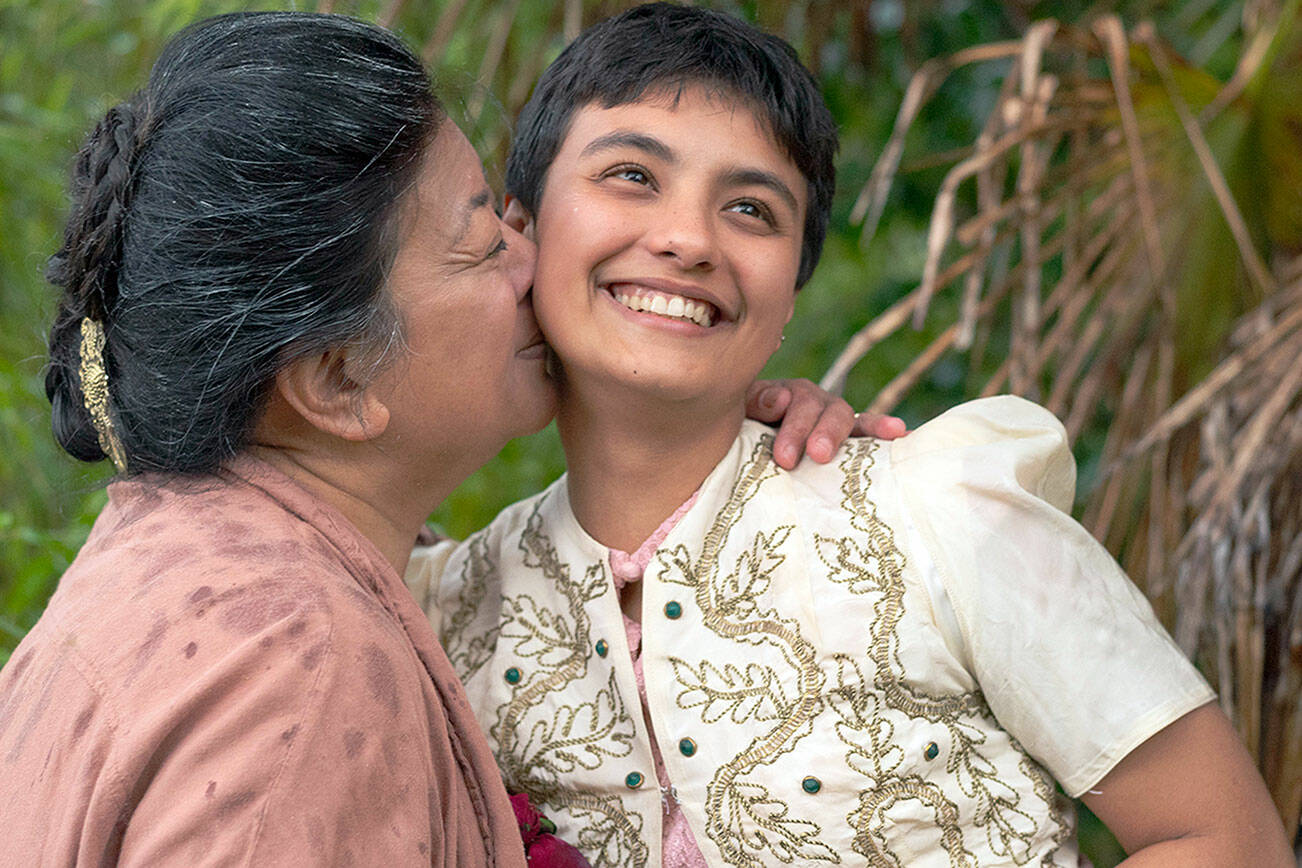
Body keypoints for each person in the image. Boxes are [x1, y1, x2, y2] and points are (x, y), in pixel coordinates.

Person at [407, 4, 1294, 866]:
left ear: (789, 292)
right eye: (633, 175)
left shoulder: (944, 512)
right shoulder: (443, 615)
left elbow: (1226, 841)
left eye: (752, 210)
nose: (688, 240)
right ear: (517, 233)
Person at [0, 11, 889, 865]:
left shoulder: (181, 569)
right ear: (339, 381)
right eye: (481, 243)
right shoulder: (301, 664)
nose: (531, 257)